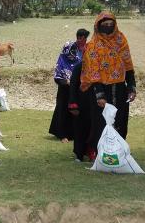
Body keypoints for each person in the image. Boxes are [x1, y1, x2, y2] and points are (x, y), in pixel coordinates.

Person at [80, 11, 136, 160]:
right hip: (100, 90)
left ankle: (120, 152)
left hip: (120, 89)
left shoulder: (121, 40)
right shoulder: (93, 45)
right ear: (98, 26)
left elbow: (128, 65)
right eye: (104, 25)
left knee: (121, 121)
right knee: (100, 123)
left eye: (110, 24)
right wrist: (100, 95)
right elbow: (93, 72)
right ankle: (100, 154)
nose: (108, 27)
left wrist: (131, 87)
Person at [48, 28, 90, 143]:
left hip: (77, 87)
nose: (84, 40)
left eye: (85, 38)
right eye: (82, 38)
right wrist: (67, 82)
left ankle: (75, 134)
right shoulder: (67, 52)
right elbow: (60, 70)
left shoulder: (84, 51)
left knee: (77, 110)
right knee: (63, 110)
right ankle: (63, 135)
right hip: (65, 87)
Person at [68, 59, 94, 162]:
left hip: (94, 105)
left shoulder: (97, 66)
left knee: (93, 129)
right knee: (80, 129)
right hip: (81, 104)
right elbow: (73, 86)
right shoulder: (79, 67)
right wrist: (73, 105)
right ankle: (79, 154)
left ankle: (92, 152)